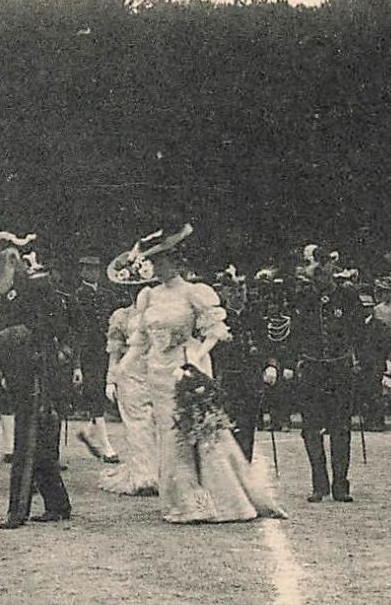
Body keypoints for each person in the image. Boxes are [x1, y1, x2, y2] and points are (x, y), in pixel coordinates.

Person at [116, 224, 284, 524]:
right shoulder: (149, 297)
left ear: (177, 262)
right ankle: (181, 500)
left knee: (189, 434)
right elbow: (140, 340)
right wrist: (122, 369)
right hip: (157, 371)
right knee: (167, 435)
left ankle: (204, 502)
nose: (158, 267)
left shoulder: (194, 292)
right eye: (155, 262)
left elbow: (216, 330)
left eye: (163, 262)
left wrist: (197, 353)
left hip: (185, 368)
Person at [0, 231, 73, 529]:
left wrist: (23, 336)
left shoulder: (38, 286)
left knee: (26, 440)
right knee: (37, 441)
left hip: (38, 372)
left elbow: (57, 324)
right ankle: (57, 503)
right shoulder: (4, 292)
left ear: (12, 260)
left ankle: (17, 510)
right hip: (17, 371)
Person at [293, 253, 359, 503]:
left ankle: (341, 485)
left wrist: (356, 360)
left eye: (325, 270)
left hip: (339, 369)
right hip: (312, 369)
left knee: (341, 428)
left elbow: (357, 332)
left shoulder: (346, 297)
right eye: (317, 271)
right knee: (311, 429)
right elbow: (297, 333)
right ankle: (319, 485)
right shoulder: (304, 298)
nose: (321, 275)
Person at [99, 254, 159, 494]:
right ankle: (144, 475)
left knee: (158, 423)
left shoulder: (160, 313)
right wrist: (111, 380)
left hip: (157, 371)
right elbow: (114, 351)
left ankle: (163, 473)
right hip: (131, 374)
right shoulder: (121, 316)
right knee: (137, 426)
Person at [71, 255, 121, 463]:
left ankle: (88, 432)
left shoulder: (108, 295)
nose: (92, 272)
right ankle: (107, 446)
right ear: (82, 271)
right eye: (88, 269)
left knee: (102, 392)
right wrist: (76, 363)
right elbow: (75, 331)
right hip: (88, 352)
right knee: (95, 394)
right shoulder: (76, 296)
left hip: (107, 350)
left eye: (95, 269)